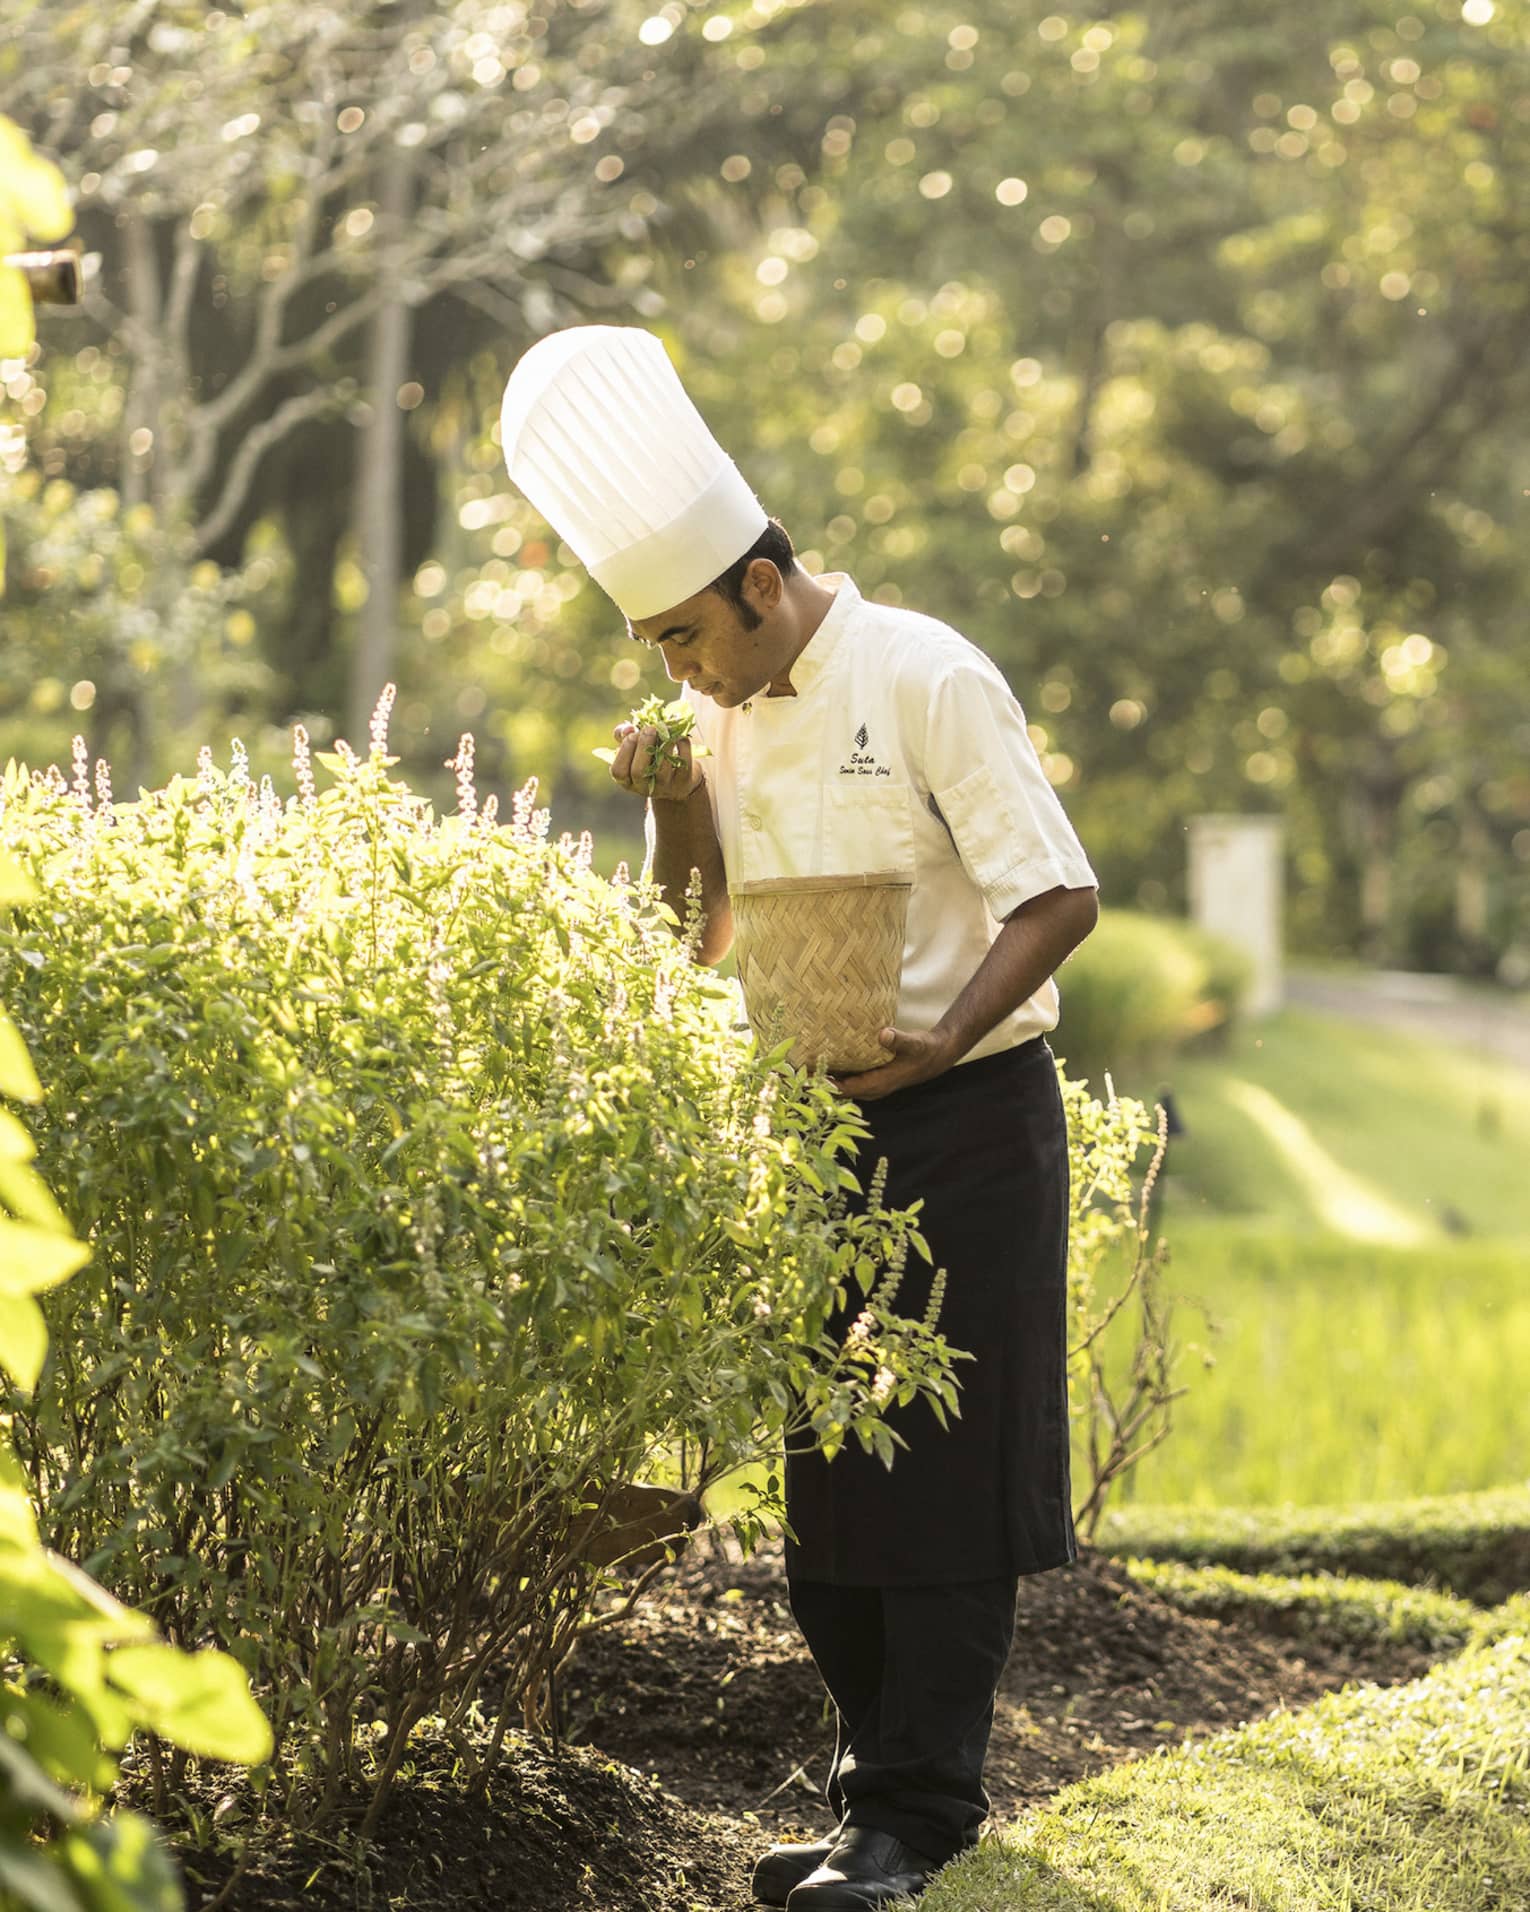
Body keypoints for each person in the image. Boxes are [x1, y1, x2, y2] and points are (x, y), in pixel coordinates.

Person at [500, 327, 1100, 1912]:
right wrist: (673, 801)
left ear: (760, 584)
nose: (676, 672)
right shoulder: (722, 717)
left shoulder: (924, 670)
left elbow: (1056, 894)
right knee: (832, 1485)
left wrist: (944, 1031)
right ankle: (863, 1817)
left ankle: (919, 1820)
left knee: (944, 1483)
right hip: (815, 1138)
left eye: (688, 636)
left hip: (965, 1117)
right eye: (654, 647)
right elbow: (690, 932)